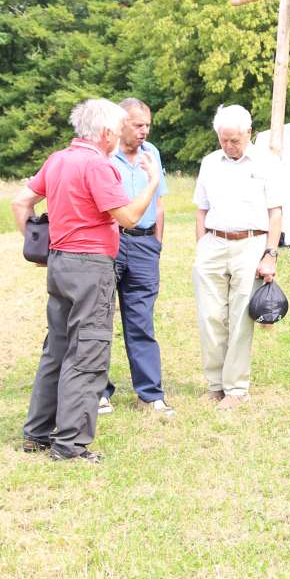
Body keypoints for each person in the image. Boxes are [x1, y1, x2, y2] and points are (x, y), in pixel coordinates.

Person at [11, 98, 162, 463]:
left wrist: (37, 247)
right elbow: (127, 218)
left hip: (60, 264)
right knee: (88, 352)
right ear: (107, 133)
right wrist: (152, 182)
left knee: (57, 349)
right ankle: (71, 445)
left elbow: (21, 203)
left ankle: (38, 433)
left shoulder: (58, 159)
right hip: (91, 267)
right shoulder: (97, 166)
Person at [192, 104, 283, 408]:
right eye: (224, 140)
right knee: (210, 317)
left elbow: (275, 213)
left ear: (249, 133)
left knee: (240, 318)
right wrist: (201, 245)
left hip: (251, 244)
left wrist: (270, 255)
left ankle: (236, 389)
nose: (230, 146)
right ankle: (215, 383)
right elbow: (201, 209)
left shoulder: (267, 163)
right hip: (214, 243)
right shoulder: (209, 163)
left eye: (235, 140)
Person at [101, 98, 173, 417]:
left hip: (143, 245)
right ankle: (97, 392)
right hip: (109, 243)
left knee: (141, 320)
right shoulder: (103, 156)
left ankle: (149, 395)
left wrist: (156, 243)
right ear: (121, 124)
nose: (145, 131)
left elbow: (158, 203)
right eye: (138, 125)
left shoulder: (152, 154)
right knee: (99, 318)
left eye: (148, 125)